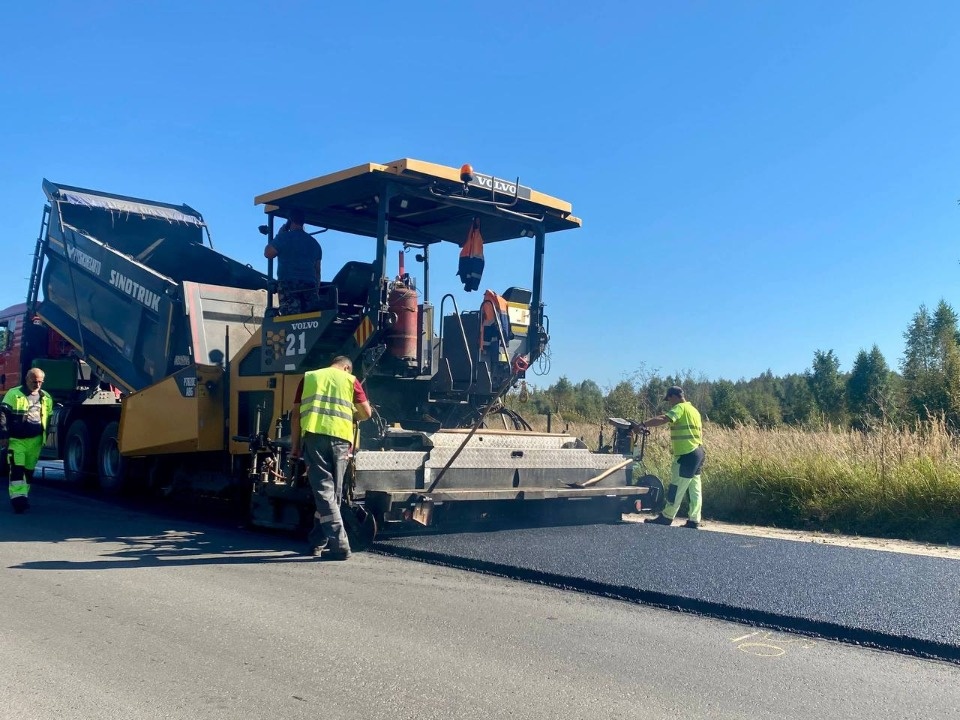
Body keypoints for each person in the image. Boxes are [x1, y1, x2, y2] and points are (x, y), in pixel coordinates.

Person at [290, 356, 372, 560]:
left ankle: (338, 544)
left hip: (314, 439)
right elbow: (367, 413)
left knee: (325, 493)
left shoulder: (309, 378)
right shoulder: (350, 380)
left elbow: (295, 415)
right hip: (341, 441)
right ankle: (320, 542)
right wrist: (352, 414)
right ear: (346, 367)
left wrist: (295, 446)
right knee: (331, 494)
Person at [638, 385, 705, 529]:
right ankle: (694, 519)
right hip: (698, 452)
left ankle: (667, 517)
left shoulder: (680, 408)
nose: (670, 404)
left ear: (674, 396)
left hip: (685, 454)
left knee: (676, 487)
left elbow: (664, 418)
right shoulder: (694, 411)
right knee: (695, 489)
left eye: (669, 400)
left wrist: (644, 424)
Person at [0, 367, 53, 514]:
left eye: (40, 382)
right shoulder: (14, 394)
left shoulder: (46, 397)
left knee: (29, 471)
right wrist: (3, 434)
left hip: (35, 441)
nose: (37, 384)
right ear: (27, 379)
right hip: (17, 440)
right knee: (17, 469)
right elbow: (3, 414)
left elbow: (48, 418)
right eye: (34, 381)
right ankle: (18, 499)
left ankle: (24, 495)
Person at [263, 207, 322, 315]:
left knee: (291, 319)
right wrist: (316, 292)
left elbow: (268, 253)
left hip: (289, 286)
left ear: (290, 220)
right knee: (310, 317)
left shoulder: (283, 238)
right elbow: (317, 271)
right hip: (310, 287)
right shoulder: (314, 243)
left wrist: (279, 235)